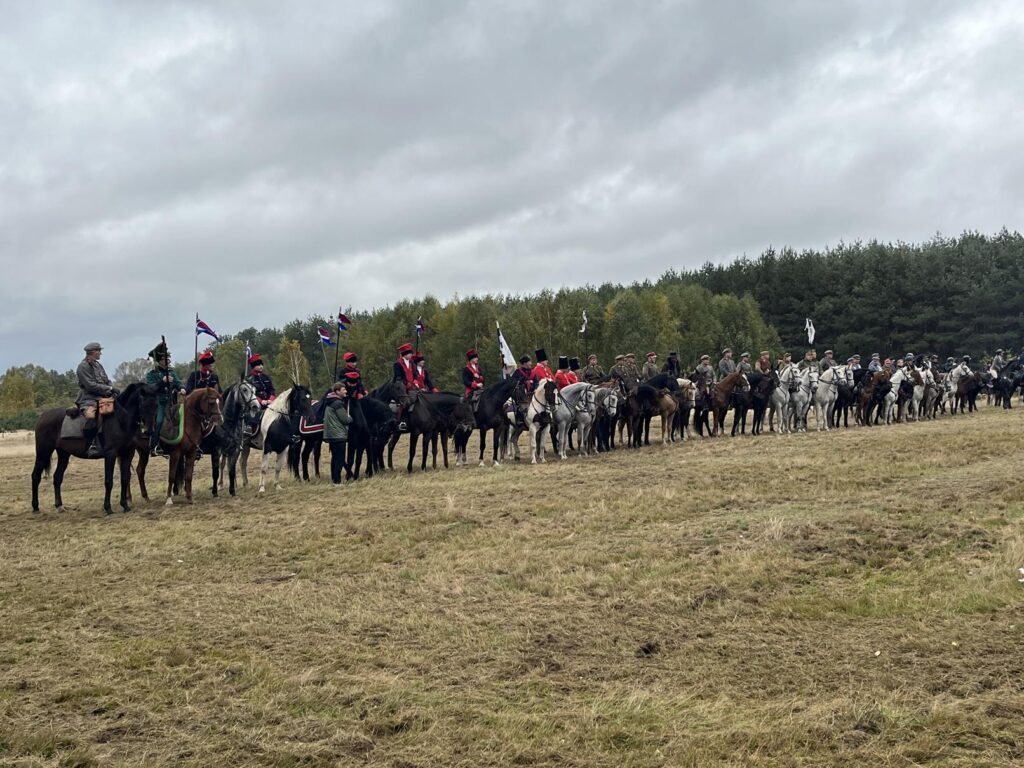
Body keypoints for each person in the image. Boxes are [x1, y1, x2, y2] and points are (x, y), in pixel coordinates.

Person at [146, 341, 185, 457]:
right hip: (159, 403)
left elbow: (178, 383)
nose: (168, 361)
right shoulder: (152, 374)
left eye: (168, 359)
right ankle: (154, 446)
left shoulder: (172, 372)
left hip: (173, 403)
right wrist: (162, 382)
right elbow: (151, 389)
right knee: (158, 421)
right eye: (165, 359)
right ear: (160, 361)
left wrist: (182, 388)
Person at [76, 341, 115, 458]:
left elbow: (106, 380)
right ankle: (91, 444)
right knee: (91, 416)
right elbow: (90, 385)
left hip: (104, 397)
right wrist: (109, 388)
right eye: (99, 351)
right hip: (89, 399)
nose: (101, 353)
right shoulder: (83, 366)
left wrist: (111, 388)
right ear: (93, 352)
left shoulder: (98, 365)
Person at [322, 381, 353, 486]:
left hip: (331, 435)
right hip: (338, 435)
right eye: (343, 389)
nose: (346, 391)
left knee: (334, 458)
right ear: (337, 391)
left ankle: (334, 480)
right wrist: (351, 418)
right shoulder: (338, 403)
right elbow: (344, 419)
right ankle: (337, 481)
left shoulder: (330, 402)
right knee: (339, 459)